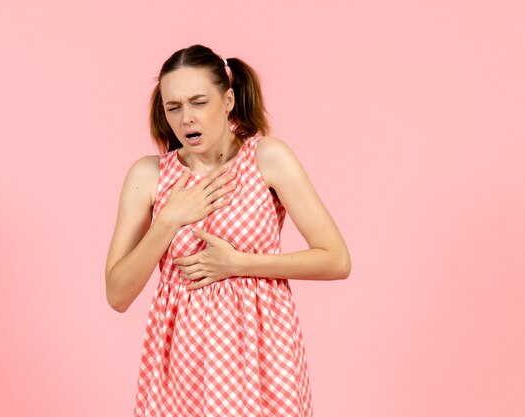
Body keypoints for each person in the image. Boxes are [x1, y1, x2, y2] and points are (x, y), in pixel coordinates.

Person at [105, 44, 351, 417]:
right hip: (181, 367)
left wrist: (236, 263)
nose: (187, 118)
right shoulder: (149, 176)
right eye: (174, 107)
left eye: (198, 102)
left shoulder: (268, 158)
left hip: (263, 354)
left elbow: (336, 260)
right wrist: (169, 219)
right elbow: (118, 294)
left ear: (228, 100)